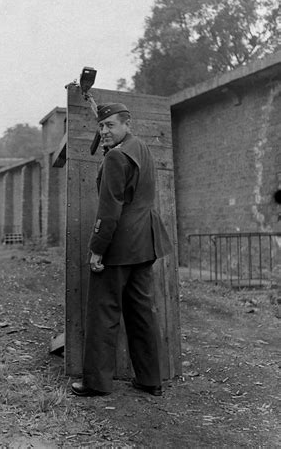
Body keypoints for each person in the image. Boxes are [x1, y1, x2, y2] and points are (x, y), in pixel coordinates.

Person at [71, 103, 172, 397]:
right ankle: (151, 380)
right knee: (141, 312)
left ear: (126, 124)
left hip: (120, 245)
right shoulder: (139, 147)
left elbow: (110, 210)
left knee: (103, 313)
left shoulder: (116, 157)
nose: (104, 131)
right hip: (145, 242)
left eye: (110, 125)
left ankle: (96, 383)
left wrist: (97, 249)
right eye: (101, 126)